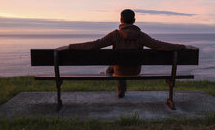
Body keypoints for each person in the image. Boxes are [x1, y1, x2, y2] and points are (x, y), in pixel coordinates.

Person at [56, 9, 195, 98]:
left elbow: (94, 45)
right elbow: (159, 45)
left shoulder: (115, 35)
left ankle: (118, 88)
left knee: (115, 65)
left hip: (120, 70)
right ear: (134, 20)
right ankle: (112, 74)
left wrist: (69, 46)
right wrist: (183, 46)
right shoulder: (141, 36)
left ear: (120, 20)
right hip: (135, 70)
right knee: (120, 62)